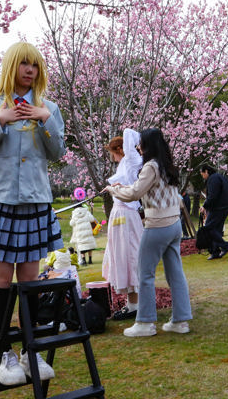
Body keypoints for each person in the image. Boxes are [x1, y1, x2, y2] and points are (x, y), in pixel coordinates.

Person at [0, 41, 66, 386]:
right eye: (24, 64)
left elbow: (57, 151)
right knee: (0, 281)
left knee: (30, 282)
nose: (30, 70)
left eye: (35, 65)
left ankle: (30, 350)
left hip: (36, 201)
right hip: (0, 202)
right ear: (12, 66)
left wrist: (45, 119)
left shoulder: (49, 107)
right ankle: (5, 354)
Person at [103, 128, 192, 337]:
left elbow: (134, 193)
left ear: (147, 145)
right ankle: (180, 321)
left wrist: (113, 189)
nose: (138, 147)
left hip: (157, 225)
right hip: (174, 225)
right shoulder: (167, 165)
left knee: (144, 274)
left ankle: (145, 322)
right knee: (175, 274)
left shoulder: (150, 167)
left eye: (140, 143)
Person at [101, 130, 144, 321]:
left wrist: (114, 188)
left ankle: (134, 304)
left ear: (119, 149)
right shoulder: (123, 166)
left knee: (130, 255)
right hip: (119, 213)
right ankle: (131, 303)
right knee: (121, 255)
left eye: (113, 152)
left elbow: (129, 133)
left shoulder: (132, 161)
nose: (113, 157)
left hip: (126, 213)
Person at [199, 165, 228, 260]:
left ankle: (225, 246)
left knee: (208, 229)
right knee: (216, 229)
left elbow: (213, 196)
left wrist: (204, 206)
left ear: (206, 171)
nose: (203, 177)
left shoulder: (212, 179)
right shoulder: (221, 177)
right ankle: (215, 252)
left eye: (202, 174)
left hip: (218, 208)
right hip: (226, 206)